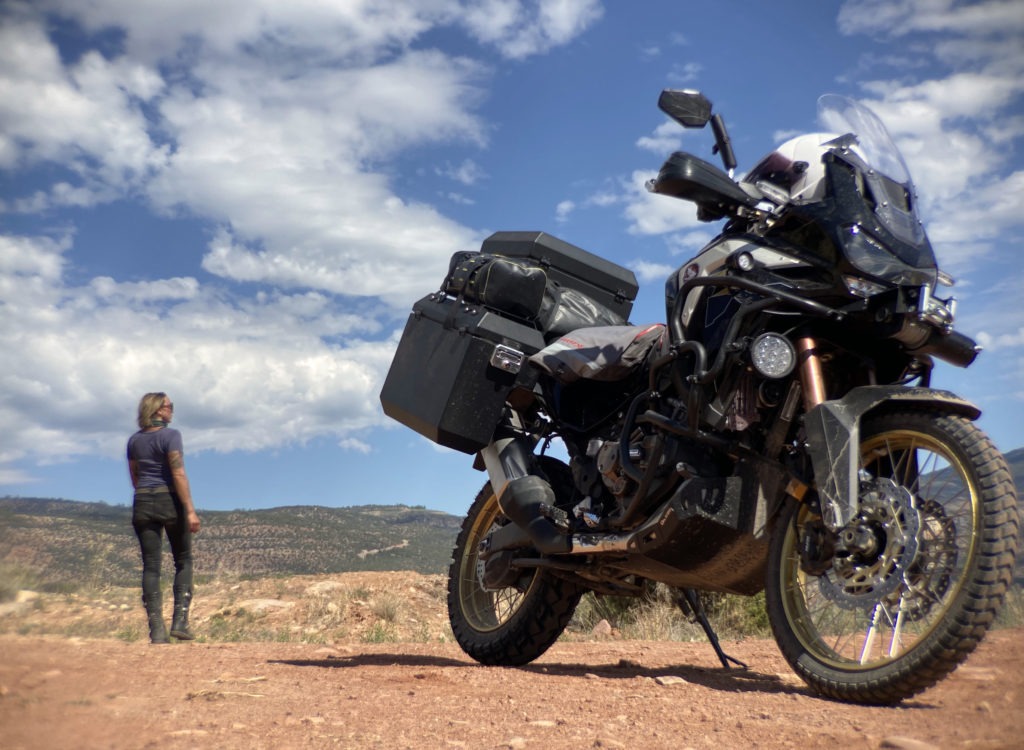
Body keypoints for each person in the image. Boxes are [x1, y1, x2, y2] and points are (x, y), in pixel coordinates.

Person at [127, 392, 201, 644]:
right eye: (170, 406)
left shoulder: (134, 441)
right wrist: (189, 509)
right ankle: (180, 622)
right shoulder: (171, 436)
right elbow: (178, 473)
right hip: (169, 499)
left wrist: (146, 495)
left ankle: (156, 630)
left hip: (143, 501)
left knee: (151, 566)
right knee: (183, 560)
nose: (172, 410)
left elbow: (134, 475)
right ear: (158, 410)